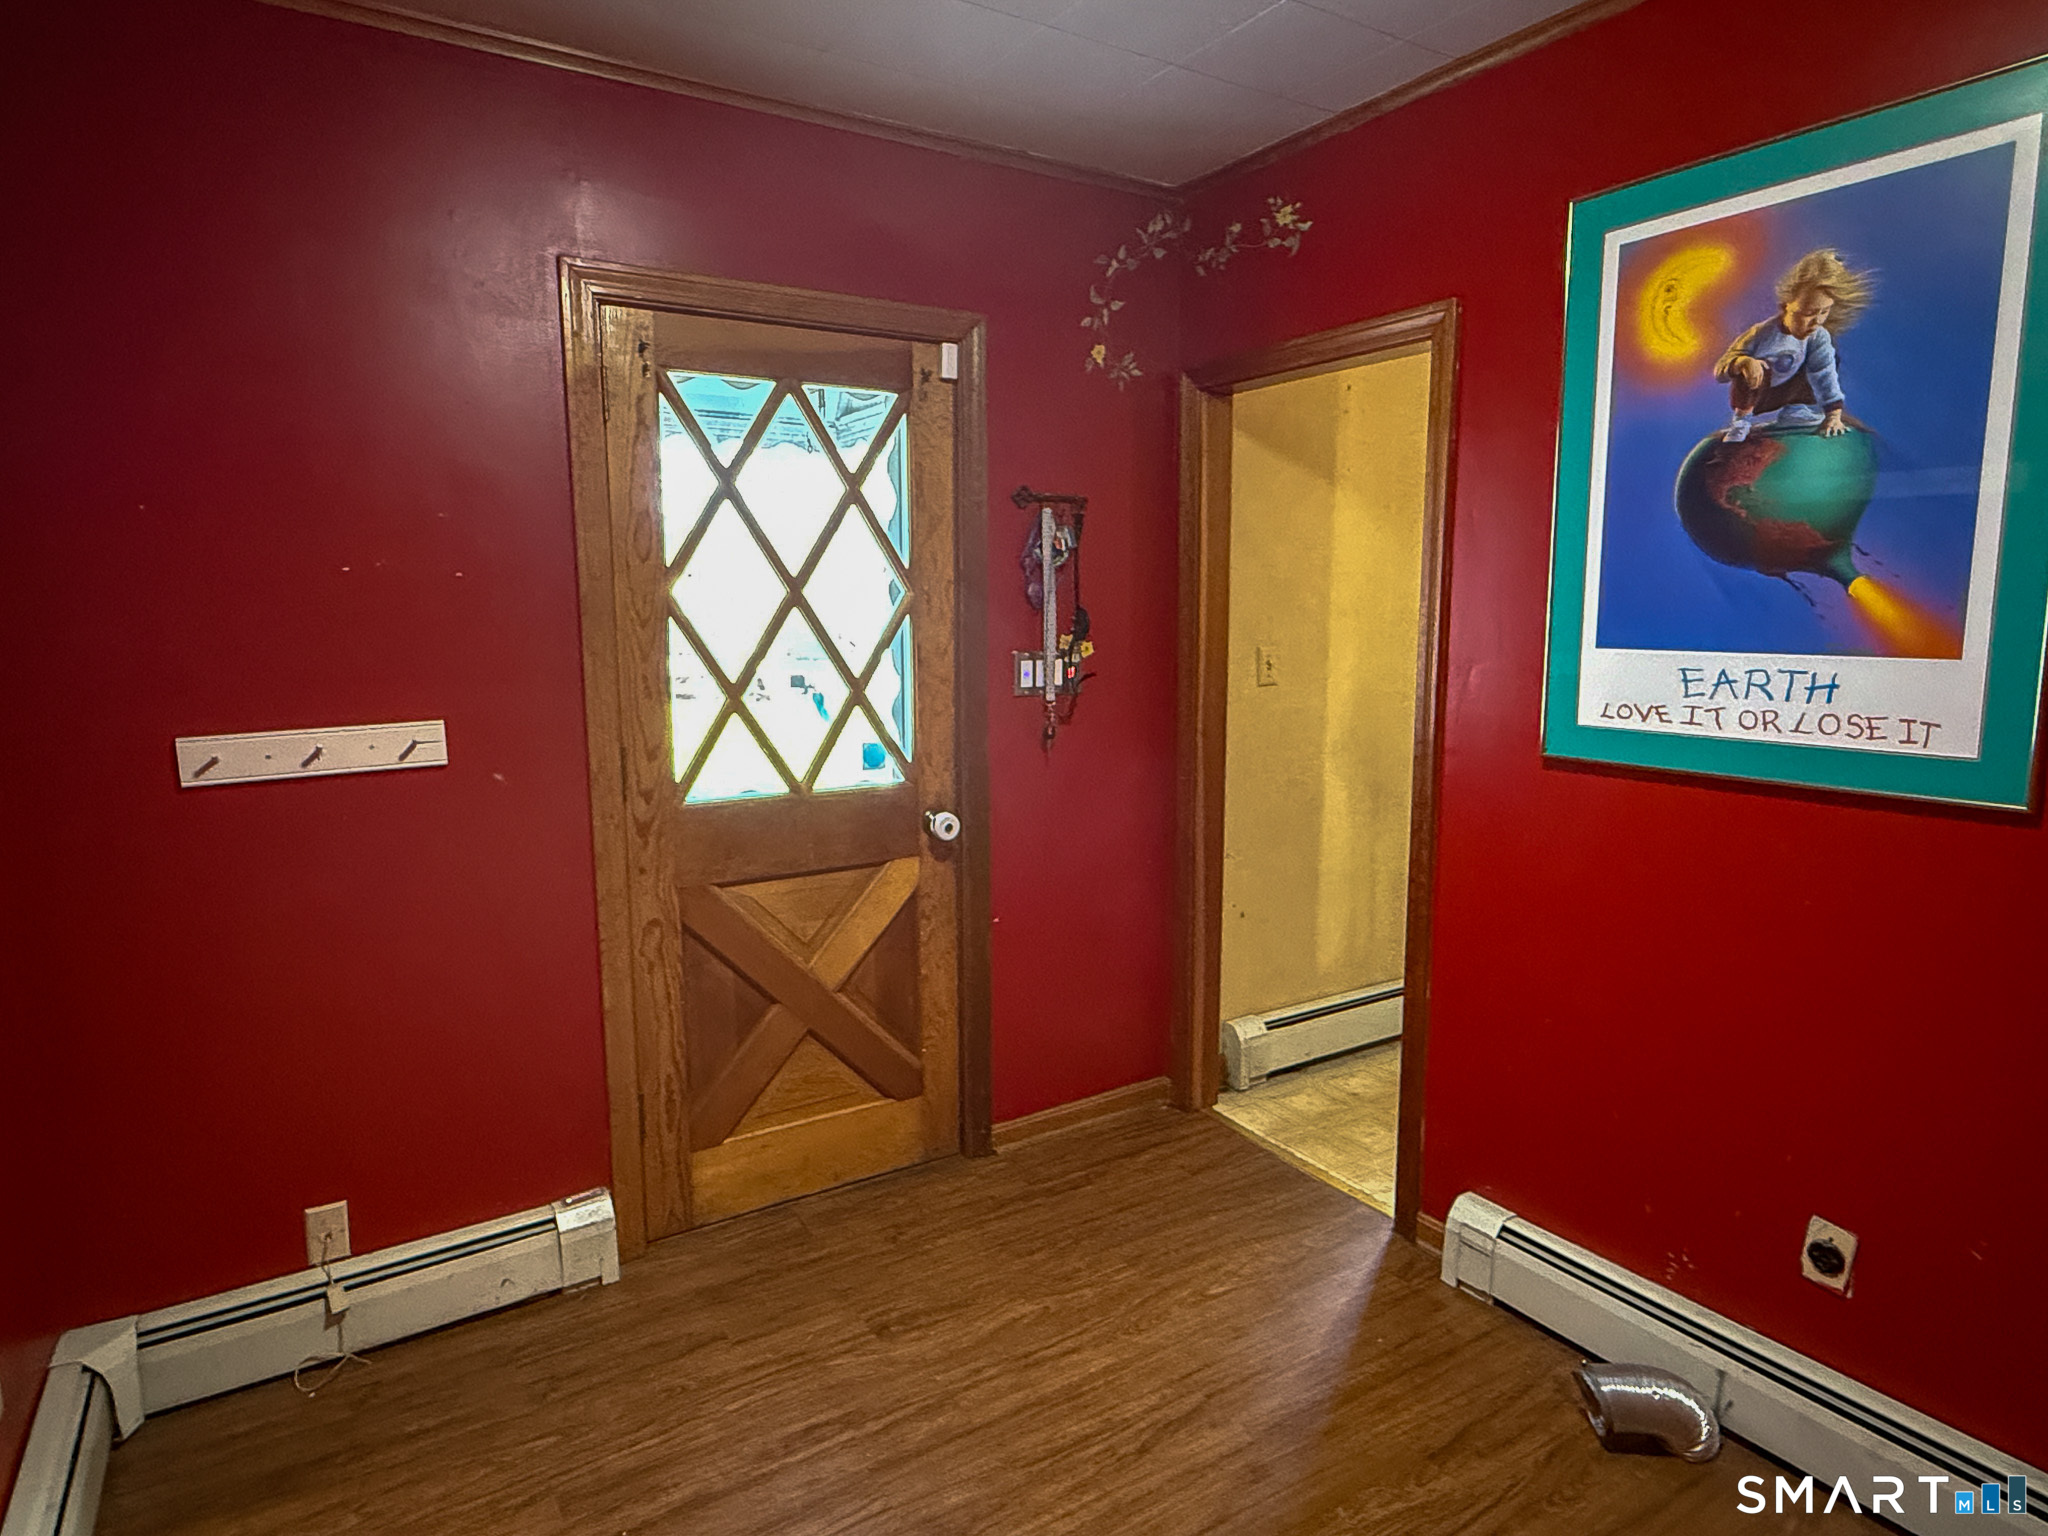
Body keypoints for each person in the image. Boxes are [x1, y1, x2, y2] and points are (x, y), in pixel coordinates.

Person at [1715, 249, 1872, 442]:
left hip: (1790, 390)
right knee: (1753, 366)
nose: (1816, 321)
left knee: (1824, 358)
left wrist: (1833, 415)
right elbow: (1720, 370)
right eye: (1807, 313)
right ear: (1787, 304)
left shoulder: (1817, 335)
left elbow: (1825, 374)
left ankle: (1796, 409)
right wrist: (1743, 362)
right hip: (1760, 393)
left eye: (1824, 312)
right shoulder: (1762, 333)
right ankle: (1741, 421)